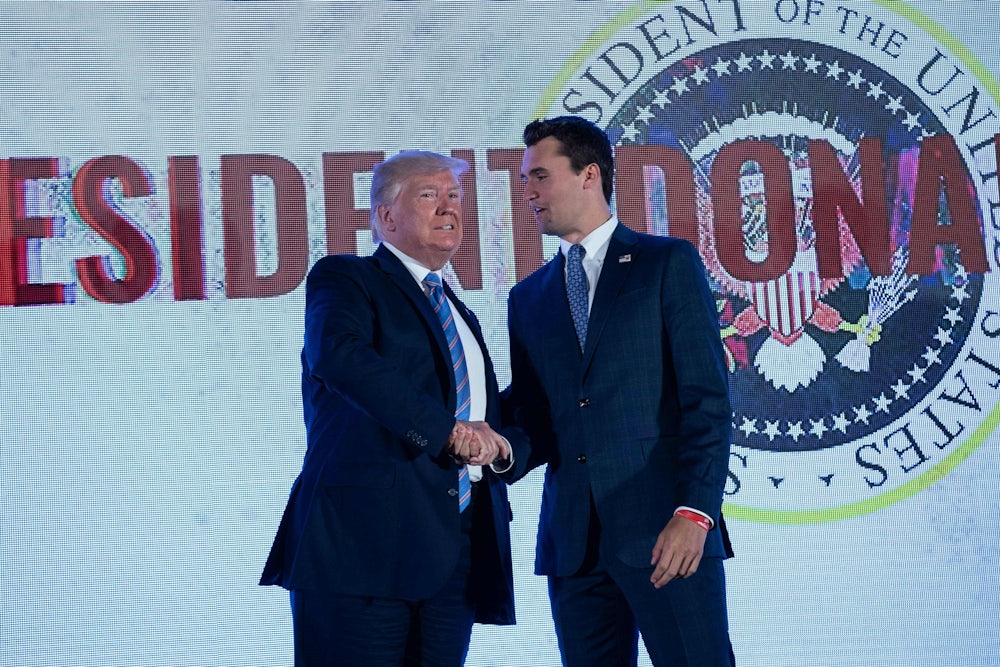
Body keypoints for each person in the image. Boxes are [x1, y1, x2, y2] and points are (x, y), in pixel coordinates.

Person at [260, 150, 518, 667]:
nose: (449, 207)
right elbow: (343, 358)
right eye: (429, 195)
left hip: (455, 555)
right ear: (386, 216)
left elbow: (486, 419)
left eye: (455, 197)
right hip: (362, 551)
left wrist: (504, 447)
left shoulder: (460, 312)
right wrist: (446, 432)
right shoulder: (346, 279)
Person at [503, 116, 736, 666]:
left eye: (539, 176)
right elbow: (539, 418)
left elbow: (708, 401)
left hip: (667, 533)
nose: (528, 192)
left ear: (589, 175)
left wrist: (695, 513)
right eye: (524, 180)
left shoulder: (666, 263)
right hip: (574, 548)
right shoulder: (527, 298)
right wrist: (492, 448)